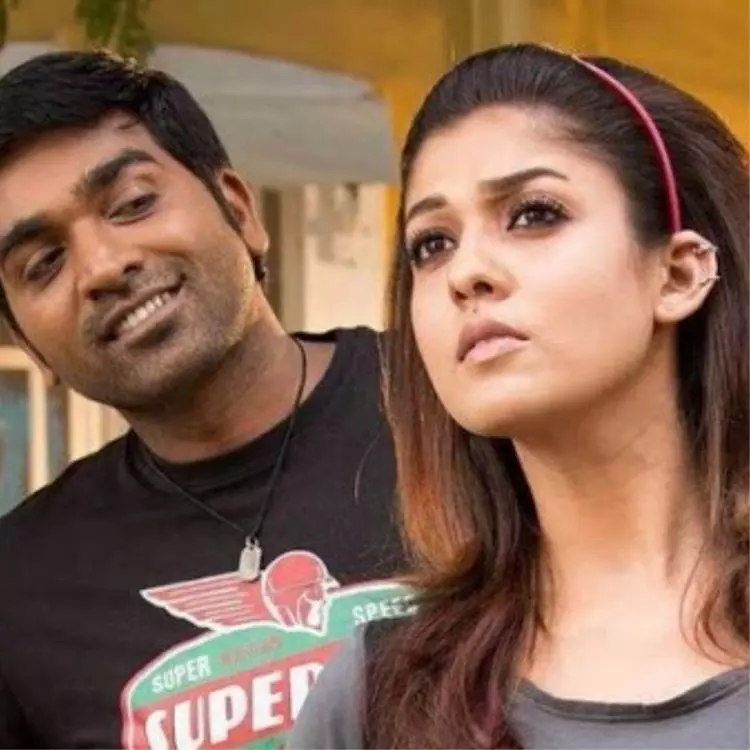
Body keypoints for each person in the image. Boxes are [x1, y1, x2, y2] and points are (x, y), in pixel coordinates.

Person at [289, 42, 749, 749]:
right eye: (431, 244)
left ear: (680, 273)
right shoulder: (378, 696)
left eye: (533, 214)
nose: (466, 272)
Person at [0, 50, 407, 749]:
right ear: (28, 345)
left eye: (133, 204)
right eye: (43, 263)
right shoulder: (20, 589)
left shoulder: (462, 414)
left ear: (239, 210)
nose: (104, 266)